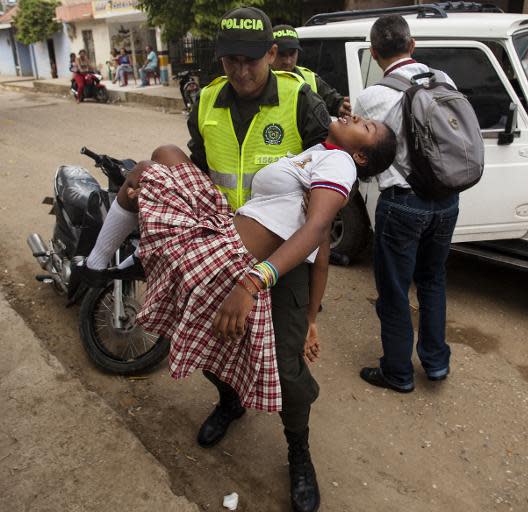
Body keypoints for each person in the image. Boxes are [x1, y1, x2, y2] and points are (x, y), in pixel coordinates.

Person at [71, 7, 345, 512]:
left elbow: (324, 193)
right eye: (230, 61)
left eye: (251, 61)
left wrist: (313, 288)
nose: (240, 71)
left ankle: (299, 452)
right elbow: (198, 168)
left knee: (286, 368)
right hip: (214, 242)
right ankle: (229, 400)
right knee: (203, 338)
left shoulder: (300, 102)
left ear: (271, 54)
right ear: (220, 58)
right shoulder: (206, 102)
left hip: (279, 255)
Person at [354, 15, 460, 393]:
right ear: (411, 45)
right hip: (447, 200)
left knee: (396, 291)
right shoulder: (443, 79)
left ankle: (398, 373)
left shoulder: (371, 97)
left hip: (402, 203)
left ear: (373, 53)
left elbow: (364, 155)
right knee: (433, 281)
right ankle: (435, 364)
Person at [271, 24, 351, 118]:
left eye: (292, 54)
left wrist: (340, 105)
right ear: (271, 52)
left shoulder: (310, 78)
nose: (288, 61)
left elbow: (332, 100)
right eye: (282, 55)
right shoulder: (260, 78)